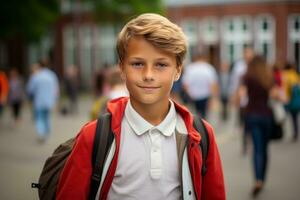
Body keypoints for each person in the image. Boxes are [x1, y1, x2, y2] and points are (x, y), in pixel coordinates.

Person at [56, 13, 225, 199]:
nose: (148, 75)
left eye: (161, 64)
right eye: (137, 64)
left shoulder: (201, 135)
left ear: (178, 71)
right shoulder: (93, 136)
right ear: (121, 69)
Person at [238, 55, 274, 197]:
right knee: (264, 148)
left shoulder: (247, 77)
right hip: (267, 115)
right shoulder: (268, 77)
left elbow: (241, 95)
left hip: (251, 115)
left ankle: (257, 180)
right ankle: (262, 179)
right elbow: (277, 94)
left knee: (256, 148)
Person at [27, 59, 59, 142]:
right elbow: (56, 90)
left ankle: (41, 134)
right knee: (47, 117)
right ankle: (47, 134)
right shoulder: (52, 75)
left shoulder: (36, 76)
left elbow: (30, 89)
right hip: (49, 101)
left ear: (39, 66)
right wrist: (55, 101)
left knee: (39, 118)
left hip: (39, 101)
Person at [182, 50, 218, 119]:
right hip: (205, 95)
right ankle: (203, 127)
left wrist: (189, 94)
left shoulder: (190, 68)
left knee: (194, 115)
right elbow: (213, 84)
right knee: (204, 115)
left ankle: (196, 127)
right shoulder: (209, 68)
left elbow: (185, 84)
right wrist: (213, 98)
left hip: (193, 96)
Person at [283, 62, 300, 141]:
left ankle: (295, 133)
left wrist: (288, 97)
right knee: (295, 117)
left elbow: (289, 88)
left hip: (291, 99)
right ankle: (295, 132)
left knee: (292, 117)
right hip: (297, 99)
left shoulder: (287, 75)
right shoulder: (295, 75)